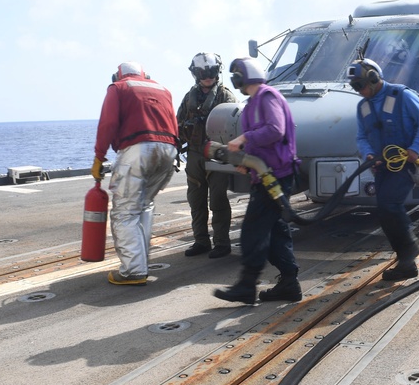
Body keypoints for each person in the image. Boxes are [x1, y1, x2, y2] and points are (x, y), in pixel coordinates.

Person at [213, 57, 302, 304]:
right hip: (266, 174)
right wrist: (246, 163)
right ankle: (289, 283)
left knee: (253, 230)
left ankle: (247, 285)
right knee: (274, 230)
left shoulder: (267, 96)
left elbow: (276, 130)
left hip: (275, 175)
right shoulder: (253, 102)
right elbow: (263, 141)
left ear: (243, 76)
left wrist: (243, 138)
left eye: (236, 75)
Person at [348, 58, 419, 281]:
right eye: (354, 87)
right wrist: (368, 153)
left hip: (403, 163)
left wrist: (415, 148)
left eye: (359, 85)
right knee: (385, 212)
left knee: (390, 205)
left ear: (374, 79)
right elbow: (361, 136)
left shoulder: (401, 96)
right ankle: (406, 262)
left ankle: (409, 253)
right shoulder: (363, 107)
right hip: (381, 167)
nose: (358, 91)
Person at [93, 62, 179, 285]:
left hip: (137, 150)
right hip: (169, 151)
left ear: (117, 75)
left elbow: (108, 123)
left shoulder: (118, 88)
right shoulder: (163, 89)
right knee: (145, 205)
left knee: (125, 211)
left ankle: (133, 270)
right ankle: (140, 262)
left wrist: (99, 156)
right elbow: (173, 124)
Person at [177, 52, 237, 259]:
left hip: (217, 154)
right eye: (203, 72)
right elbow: (178, 123)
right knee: (196, 199)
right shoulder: (189, 97)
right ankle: (201, 241)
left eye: (211, 71)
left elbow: (233, 126)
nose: (207, 76)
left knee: (218, 199)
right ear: (195, 73)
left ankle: (221, 242)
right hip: (194, 154)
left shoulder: (225, 96)